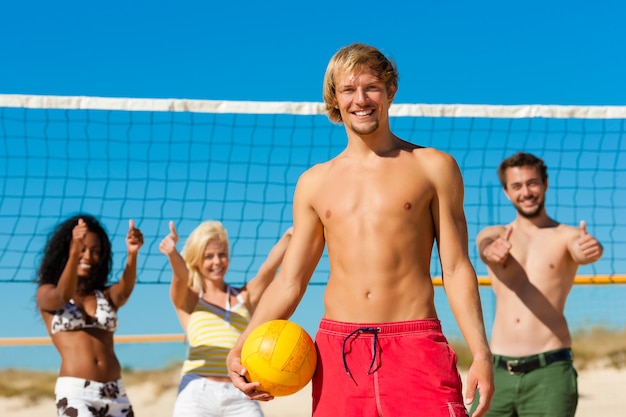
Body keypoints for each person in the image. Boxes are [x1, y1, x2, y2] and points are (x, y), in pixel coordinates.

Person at [227, 42, 494, 417]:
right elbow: (290, 281)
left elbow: (455, 268)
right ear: (334, 99)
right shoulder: (314, 183)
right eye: (348, 90)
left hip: (415, 343)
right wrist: (242, 344)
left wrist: (481, 353)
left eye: (371, 87)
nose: (361, 99)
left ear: (390, 91)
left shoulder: (433, 167)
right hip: (338, 351)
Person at [470, 152, 603, 417]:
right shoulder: (495, 234)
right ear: (507, 193)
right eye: (517, 186)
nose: (526, 192)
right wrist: (492, 251)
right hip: (497, 372)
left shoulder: (568, 235)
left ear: (545, 184)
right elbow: (485, 247)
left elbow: (582, 249)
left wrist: (591, 250)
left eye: (532, 183)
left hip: (550, 371)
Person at [159, 220, 293, 417]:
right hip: (197, 390)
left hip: (239, 391)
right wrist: (172, 253)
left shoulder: (244, 296)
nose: (217, 261)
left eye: (222, 255)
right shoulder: (190, 299)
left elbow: (269, 268)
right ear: (196, 260)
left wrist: (290, 234)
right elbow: (182, 276)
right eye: (208, 256)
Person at [36, 214, 144, 417]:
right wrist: (74, 252)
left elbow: (124, 290)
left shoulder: (104, 295)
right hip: (76, 393)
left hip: (115, 393)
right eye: (82, 249)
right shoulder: (47, 293)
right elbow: (63, 294)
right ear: (65, 251)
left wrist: (132, 253)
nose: (87, 256)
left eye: (95, 252)